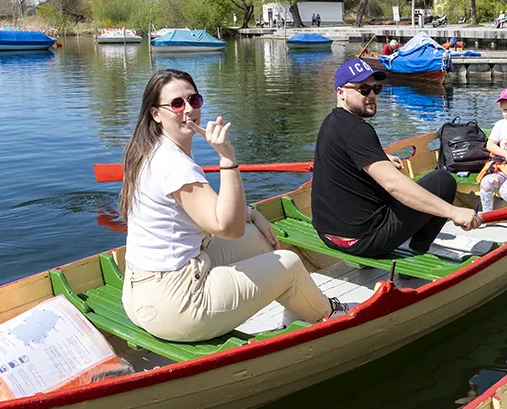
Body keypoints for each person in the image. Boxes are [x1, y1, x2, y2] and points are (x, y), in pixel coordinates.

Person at [119, 69, 346, 343]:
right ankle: (329, 314)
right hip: (177, 306)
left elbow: (207, 211)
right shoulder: (175, 165)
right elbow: (229, 228)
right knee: (289, 263)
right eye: (177, 104)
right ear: (156, 113)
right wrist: (227, 157)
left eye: (194, 100)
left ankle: (297, 312)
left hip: (142, 295)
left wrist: (251, 213)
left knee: (259, 239)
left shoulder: (151, 150)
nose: (188, 110)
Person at [311, 59, 481, 259]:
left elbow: (347, 156)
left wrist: (381, 157)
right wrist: (453, 212)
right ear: (341, 92)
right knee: (443, 180)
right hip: (362, 240)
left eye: (376, 88)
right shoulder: (358, 131)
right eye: (363, 89)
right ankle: (416, 250)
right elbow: (394, 185)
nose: (372, 95)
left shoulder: (332, 121)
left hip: (327, 234)